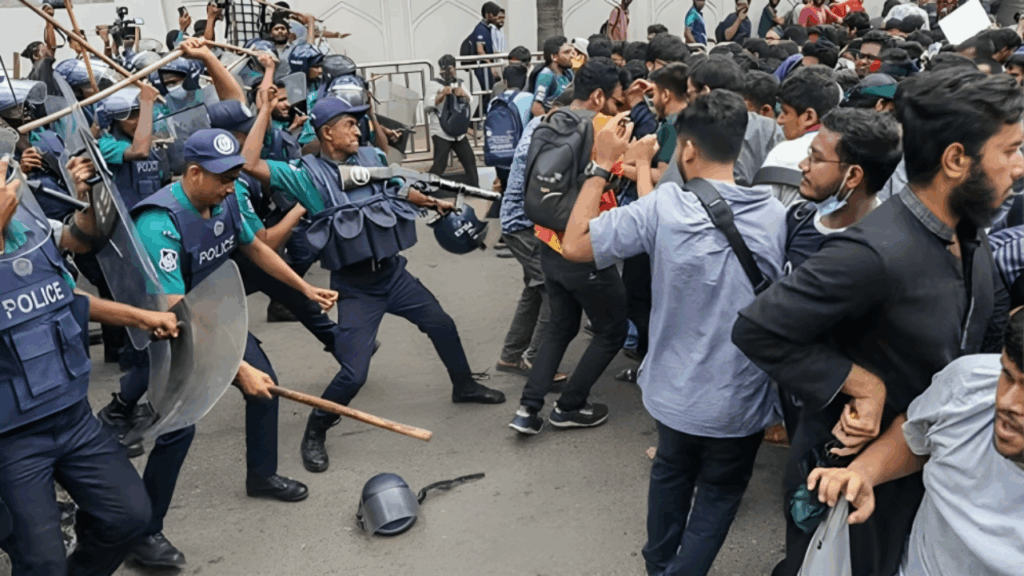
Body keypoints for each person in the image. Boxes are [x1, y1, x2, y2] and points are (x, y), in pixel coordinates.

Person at [732, 68, 1021, 576]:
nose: (1018, 167)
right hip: (849, 481)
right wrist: (863, 385)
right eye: (1011, 150)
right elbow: (758, 328)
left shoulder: (969, 233)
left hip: (923, 473)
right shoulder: (872, 252)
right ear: (956, 160)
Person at [560, 90, 786, 576]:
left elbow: (575, 244)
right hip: (740, 402)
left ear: (686, 150)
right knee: (719, 496)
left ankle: (659, 565)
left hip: (674, 394)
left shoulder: (662, 210)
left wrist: (602, 164)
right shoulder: (776, 216)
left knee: (669, 476)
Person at [103, 129, 337, 569]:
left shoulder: (227, 195)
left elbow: (253, 245)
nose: (232, 183)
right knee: (179, 428)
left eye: (234, 174)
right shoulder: (158, 222)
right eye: (222, 176)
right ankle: (145, 533)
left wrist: (304, 287)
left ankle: (262, 475)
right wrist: (235, 367)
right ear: (193, 173)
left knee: (264, 387)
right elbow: (175, 309)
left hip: (211, 314)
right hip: (166, 329)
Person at [241, 95, 505, 472]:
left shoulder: (372, 158)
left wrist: (432, 203)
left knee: (441, 323)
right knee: (353, 372)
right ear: (327, 132)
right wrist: (265, 110)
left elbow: (395, 189)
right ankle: (317, 428)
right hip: (356, 286)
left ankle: (464, 385)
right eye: (350, 124)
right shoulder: (304, 175)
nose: (358, 129)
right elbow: (249, 164)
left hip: (392, 274)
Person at [0, 154, 183, 576]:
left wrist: (86, 200)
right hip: (12, 437)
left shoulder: (26, 224)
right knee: (41, 561)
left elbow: (73, 262)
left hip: (72, 415)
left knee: (129, 518)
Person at [807, 308, 1024, 576]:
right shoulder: (968, 383)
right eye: (1007, 375)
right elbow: (917, 433)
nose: (1006, 402)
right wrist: (863, 472)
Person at [509, 59, 628, 435]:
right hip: (585, 248)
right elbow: (616, 178)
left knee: (561, 326)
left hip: (548, 241)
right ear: (598, 96)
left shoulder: (548, 122)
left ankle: (528, 410)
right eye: (616, 99)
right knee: (612, 329)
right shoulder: (602, 128)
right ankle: (570, 405)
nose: (618, 107)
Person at [495, 91, 570, 386]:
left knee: (534, 289)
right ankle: (537, 363)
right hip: (524, 225)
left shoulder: (540, 123)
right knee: (554, 291)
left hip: (519, 221)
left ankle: (511, 354)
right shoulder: (547, 135)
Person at [784, 108, 902, 271]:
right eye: (809, 153)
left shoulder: (885, 254)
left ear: (853, 175)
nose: (803, 165)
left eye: (816, 158)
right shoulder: (797, 217)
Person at [755, 66, 842, 207]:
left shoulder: (783, 152)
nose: (780, 120)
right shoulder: (852, 153)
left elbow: (759, 212)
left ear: (809, 117)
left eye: (785, 112)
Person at [427, 54, 479, 188]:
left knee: (469, 159)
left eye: (451, 68)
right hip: (441, 130)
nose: (448, 72)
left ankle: (474, 187)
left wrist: (463, 94)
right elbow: (427, 106)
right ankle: (427, 188)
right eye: (444, 69)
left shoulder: (459, 82)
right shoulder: (433, 84)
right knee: (440, 164)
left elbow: (471, 100)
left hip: (458, 131)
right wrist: (441, 95)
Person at [530, 36, 574, 116]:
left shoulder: (568, 73)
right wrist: (548, 126)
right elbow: (536, 107)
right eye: (566, 52)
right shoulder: (546, 75)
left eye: (571, 52)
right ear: (554, 57)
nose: (572, 56)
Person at [469, 2, 505, 92]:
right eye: (495, 15)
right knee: (487, 93)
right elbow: (480, 50)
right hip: (483, 68)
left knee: (489, 93)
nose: (497, 18)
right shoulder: (480, 30)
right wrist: (491, 67)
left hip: (487, 66)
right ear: (488, 15)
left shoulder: (488, 28)